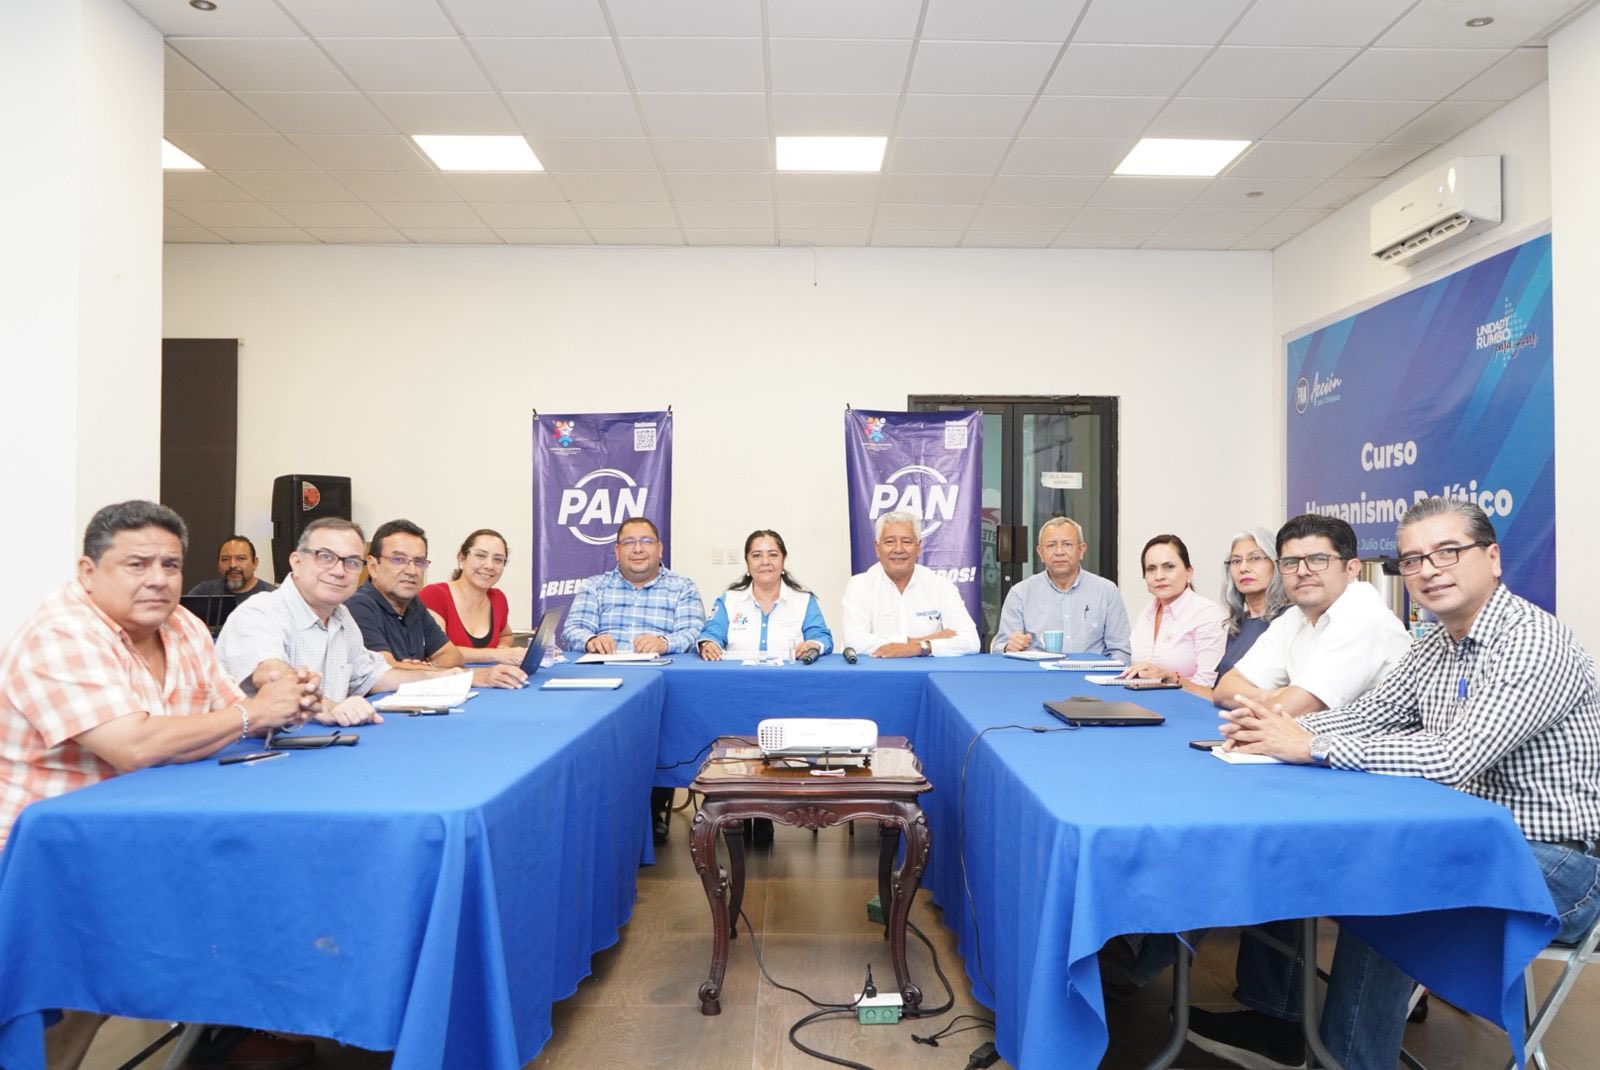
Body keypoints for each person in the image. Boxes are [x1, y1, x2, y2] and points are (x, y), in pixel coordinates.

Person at [1196, 498, 1600, 1069]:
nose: (1429, 570)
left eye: (1447, 552)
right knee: (1338, 858)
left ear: (1493, 558)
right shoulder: (1434, 641)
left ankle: (1345, 1060)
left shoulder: (1532, 642)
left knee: (1390, 886)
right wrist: (1276, 729)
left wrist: (1307, 743)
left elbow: (1456, 756)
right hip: (1461, 833)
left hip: (1556, 862)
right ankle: (1291, 1025)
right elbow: (1370, 714)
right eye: (1412, 560)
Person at [0, 501, 320, 1070]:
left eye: (170, 566)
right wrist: (253, 714)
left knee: (288, 876)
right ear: (87, 571)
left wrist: (287, 702)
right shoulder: (60, 633)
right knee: (77, 987)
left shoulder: (183, 625)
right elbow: (135, 745)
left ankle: (259, 1030)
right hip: (47, 858)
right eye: (137, 564)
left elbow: (232, 711)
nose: (158, 580)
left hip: (147, 834)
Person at [216, 517, 459, 726]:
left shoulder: (342, 618)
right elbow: (273, 677)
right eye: (325, 557)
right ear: (296, 562)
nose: (339, 571)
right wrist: (330, 708)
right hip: (249, 758)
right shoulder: (260, 612)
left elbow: (377, 675)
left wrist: (443, 679)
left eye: (351, 562)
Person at [561, 516, 705, 842]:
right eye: (629, 542)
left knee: (663, 729)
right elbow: (572, 630)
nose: (638, 549)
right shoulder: (594, 586)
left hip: (659, 686)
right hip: (602, 685)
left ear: (660, 548)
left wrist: (665, 642)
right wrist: (589, 641)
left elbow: (695, 630)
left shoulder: (682, 587)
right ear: (616, 550)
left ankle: (655, 806)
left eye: (646, 541)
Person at [1214, 513, 1410, 714]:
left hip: (1365, 744)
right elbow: (1225, 690)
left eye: (1318, 560)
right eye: (1290, 562)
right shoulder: (1293, 617)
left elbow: (1289, 710)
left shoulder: (1363, 617)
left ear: (1351, 568)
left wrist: (1275, 698)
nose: (1302, 571)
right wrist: (1273, 697)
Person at [347, 520, 525, 688]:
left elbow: (452, 656)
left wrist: (422, 667)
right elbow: (386, 672)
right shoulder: (358, 605)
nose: (411, 570)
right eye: (398, 560)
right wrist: (460, 674)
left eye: (419, 562)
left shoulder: (414, 604)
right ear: (372, 565)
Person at [841, 511, 981, 658]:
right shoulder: (860, 585)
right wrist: (916, 642)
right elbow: (855, 641)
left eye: (906, 542)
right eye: (889, 541)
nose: (898, 549)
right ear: (877, 548)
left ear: (919, 547)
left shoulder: (940, 585)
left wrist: (919, 648)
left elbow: (970, 641)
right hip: (878, 675)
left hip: (930, 675)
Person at [991, 516, 1131, 661]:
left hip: (1090, 678)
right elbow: (998, 649)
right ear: (1041, 553)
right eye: (1051, 545)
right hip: (1040, 679)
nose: (1059, 552)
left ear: (1081, 550)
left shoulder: (1106, 591)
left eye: (1067, 544)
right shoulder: (1020, 593)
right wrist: (1009, 647)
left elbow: (1121, 651)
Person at [698, 530, 833, 662]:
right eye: (757, 556)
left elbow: (821, 637)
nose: (765, 562)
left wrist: (813, 645)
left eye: (773, 555)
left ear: (783, 560)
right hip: (737, 679)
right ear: (747, 562)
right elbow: (711, 634)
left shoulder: (804, 600)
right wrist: (710, 644)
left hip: (791, 680)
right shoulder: (729, 600)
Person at [1120, 534, 1228, 693]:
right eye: (1151, 569)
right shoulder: (1146, 615)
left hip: (1187, 709)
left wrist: (1172, 678)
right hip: (1143, 706)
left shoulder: (1207, 614)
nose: (1159, 576)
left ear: (1189, 572)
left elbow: (1207, 687)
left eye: (1169, 567)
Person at [418, 528, 524, 666]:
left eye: (498, 559)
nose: (489, 565)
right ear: (461, 558)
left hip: (492, 682)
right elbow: (438, 651)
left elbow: (506, 635)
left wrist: (503, 648)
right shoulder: (434, 595)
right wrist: (498, 655)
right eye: (480, 556)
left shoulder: (498, 598)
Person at [1215, 526, 1288, 680]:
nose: (1243, 568)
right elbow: (1218, 691)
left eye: (1255, 558)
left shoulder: (1290, 618)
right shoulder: (1238, 624)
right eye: (1236, 561)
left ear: (1276, 563)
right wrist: (1175, 679)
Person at [185, 534, 277, 600]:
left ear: (255, 563)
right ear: (218, 565)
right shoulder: (204, 592)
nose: (232, 565)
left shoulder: (273, 596)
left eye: (241, 558)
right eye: (225, 559)